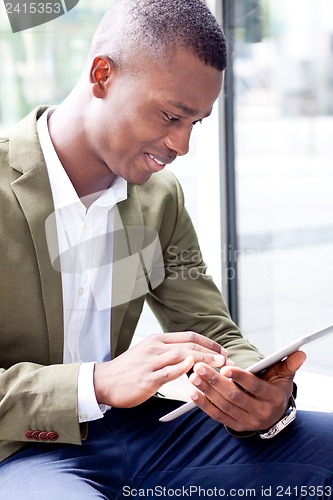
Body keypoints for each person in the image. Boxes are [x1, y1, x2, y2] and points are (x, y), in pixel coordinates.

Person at [0, 0, 333, 498]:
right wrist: (95, 384)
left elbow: (211, 330)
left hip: (137, 432)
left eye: (195, 123)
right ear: (102, 75)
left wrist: (259, 393)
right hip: (21, 448)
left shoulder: (158, 197)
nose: (182, 145)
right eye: (171, 115)